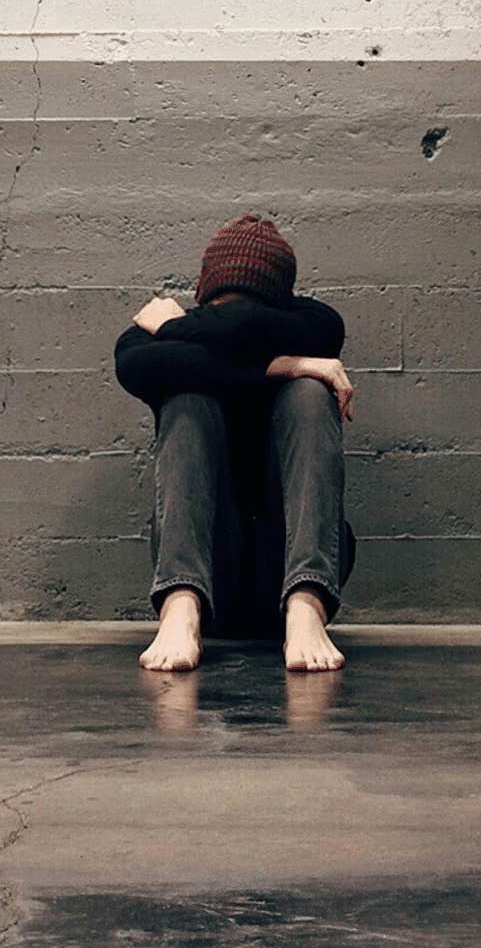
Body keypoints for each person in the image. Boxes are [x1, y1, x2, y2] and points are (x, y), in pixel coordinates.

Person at [113, 213, 358, 673]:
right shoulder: (147, 343)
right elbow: (134, 367)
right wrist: (282, 364)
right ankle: (179, 605)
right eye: (219, 305)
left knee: (309, 392)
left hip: (285, 568)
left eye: (245, 303)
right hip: (209, 576)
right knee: (186, 395)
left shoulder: (314, 323)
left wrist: (179, 325)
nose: (231, 314)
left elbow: (248, 325)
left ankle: (307, 604)